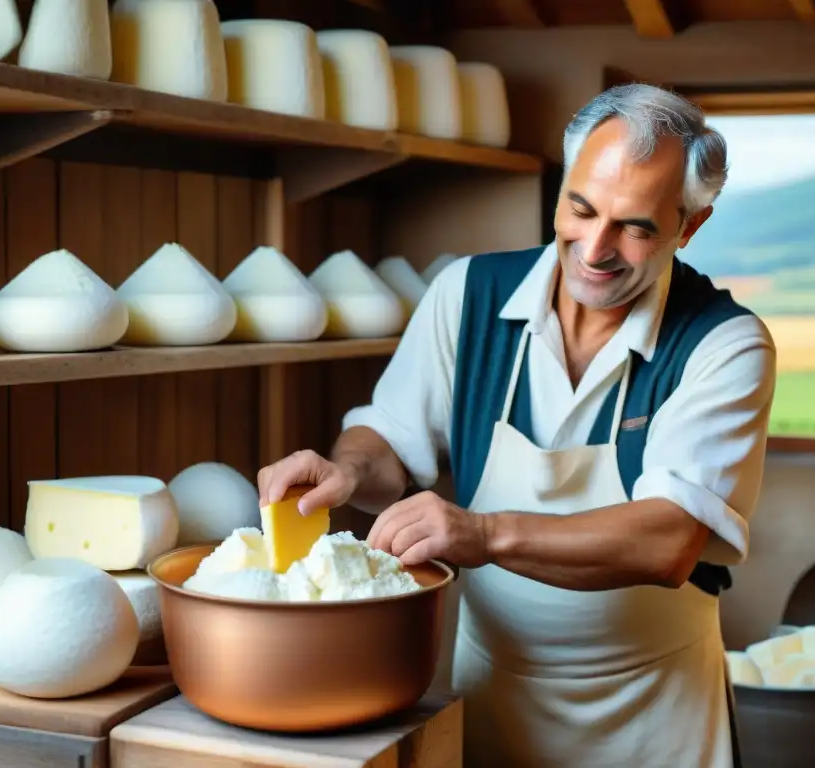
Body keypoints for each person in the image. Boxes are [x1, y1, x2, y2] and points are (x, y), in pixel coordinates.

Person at [257, 83, 777, 768]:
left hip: (655, 717)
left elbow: (668, 540)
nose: (595, 249)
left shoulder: (725, 344)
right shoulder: (465, 296)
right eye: (580, 208)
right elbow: (390, 440)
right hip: (492, 695)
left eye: (635, 226)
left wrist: (484, 531)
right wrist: (348, 470)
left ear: (689, 226)